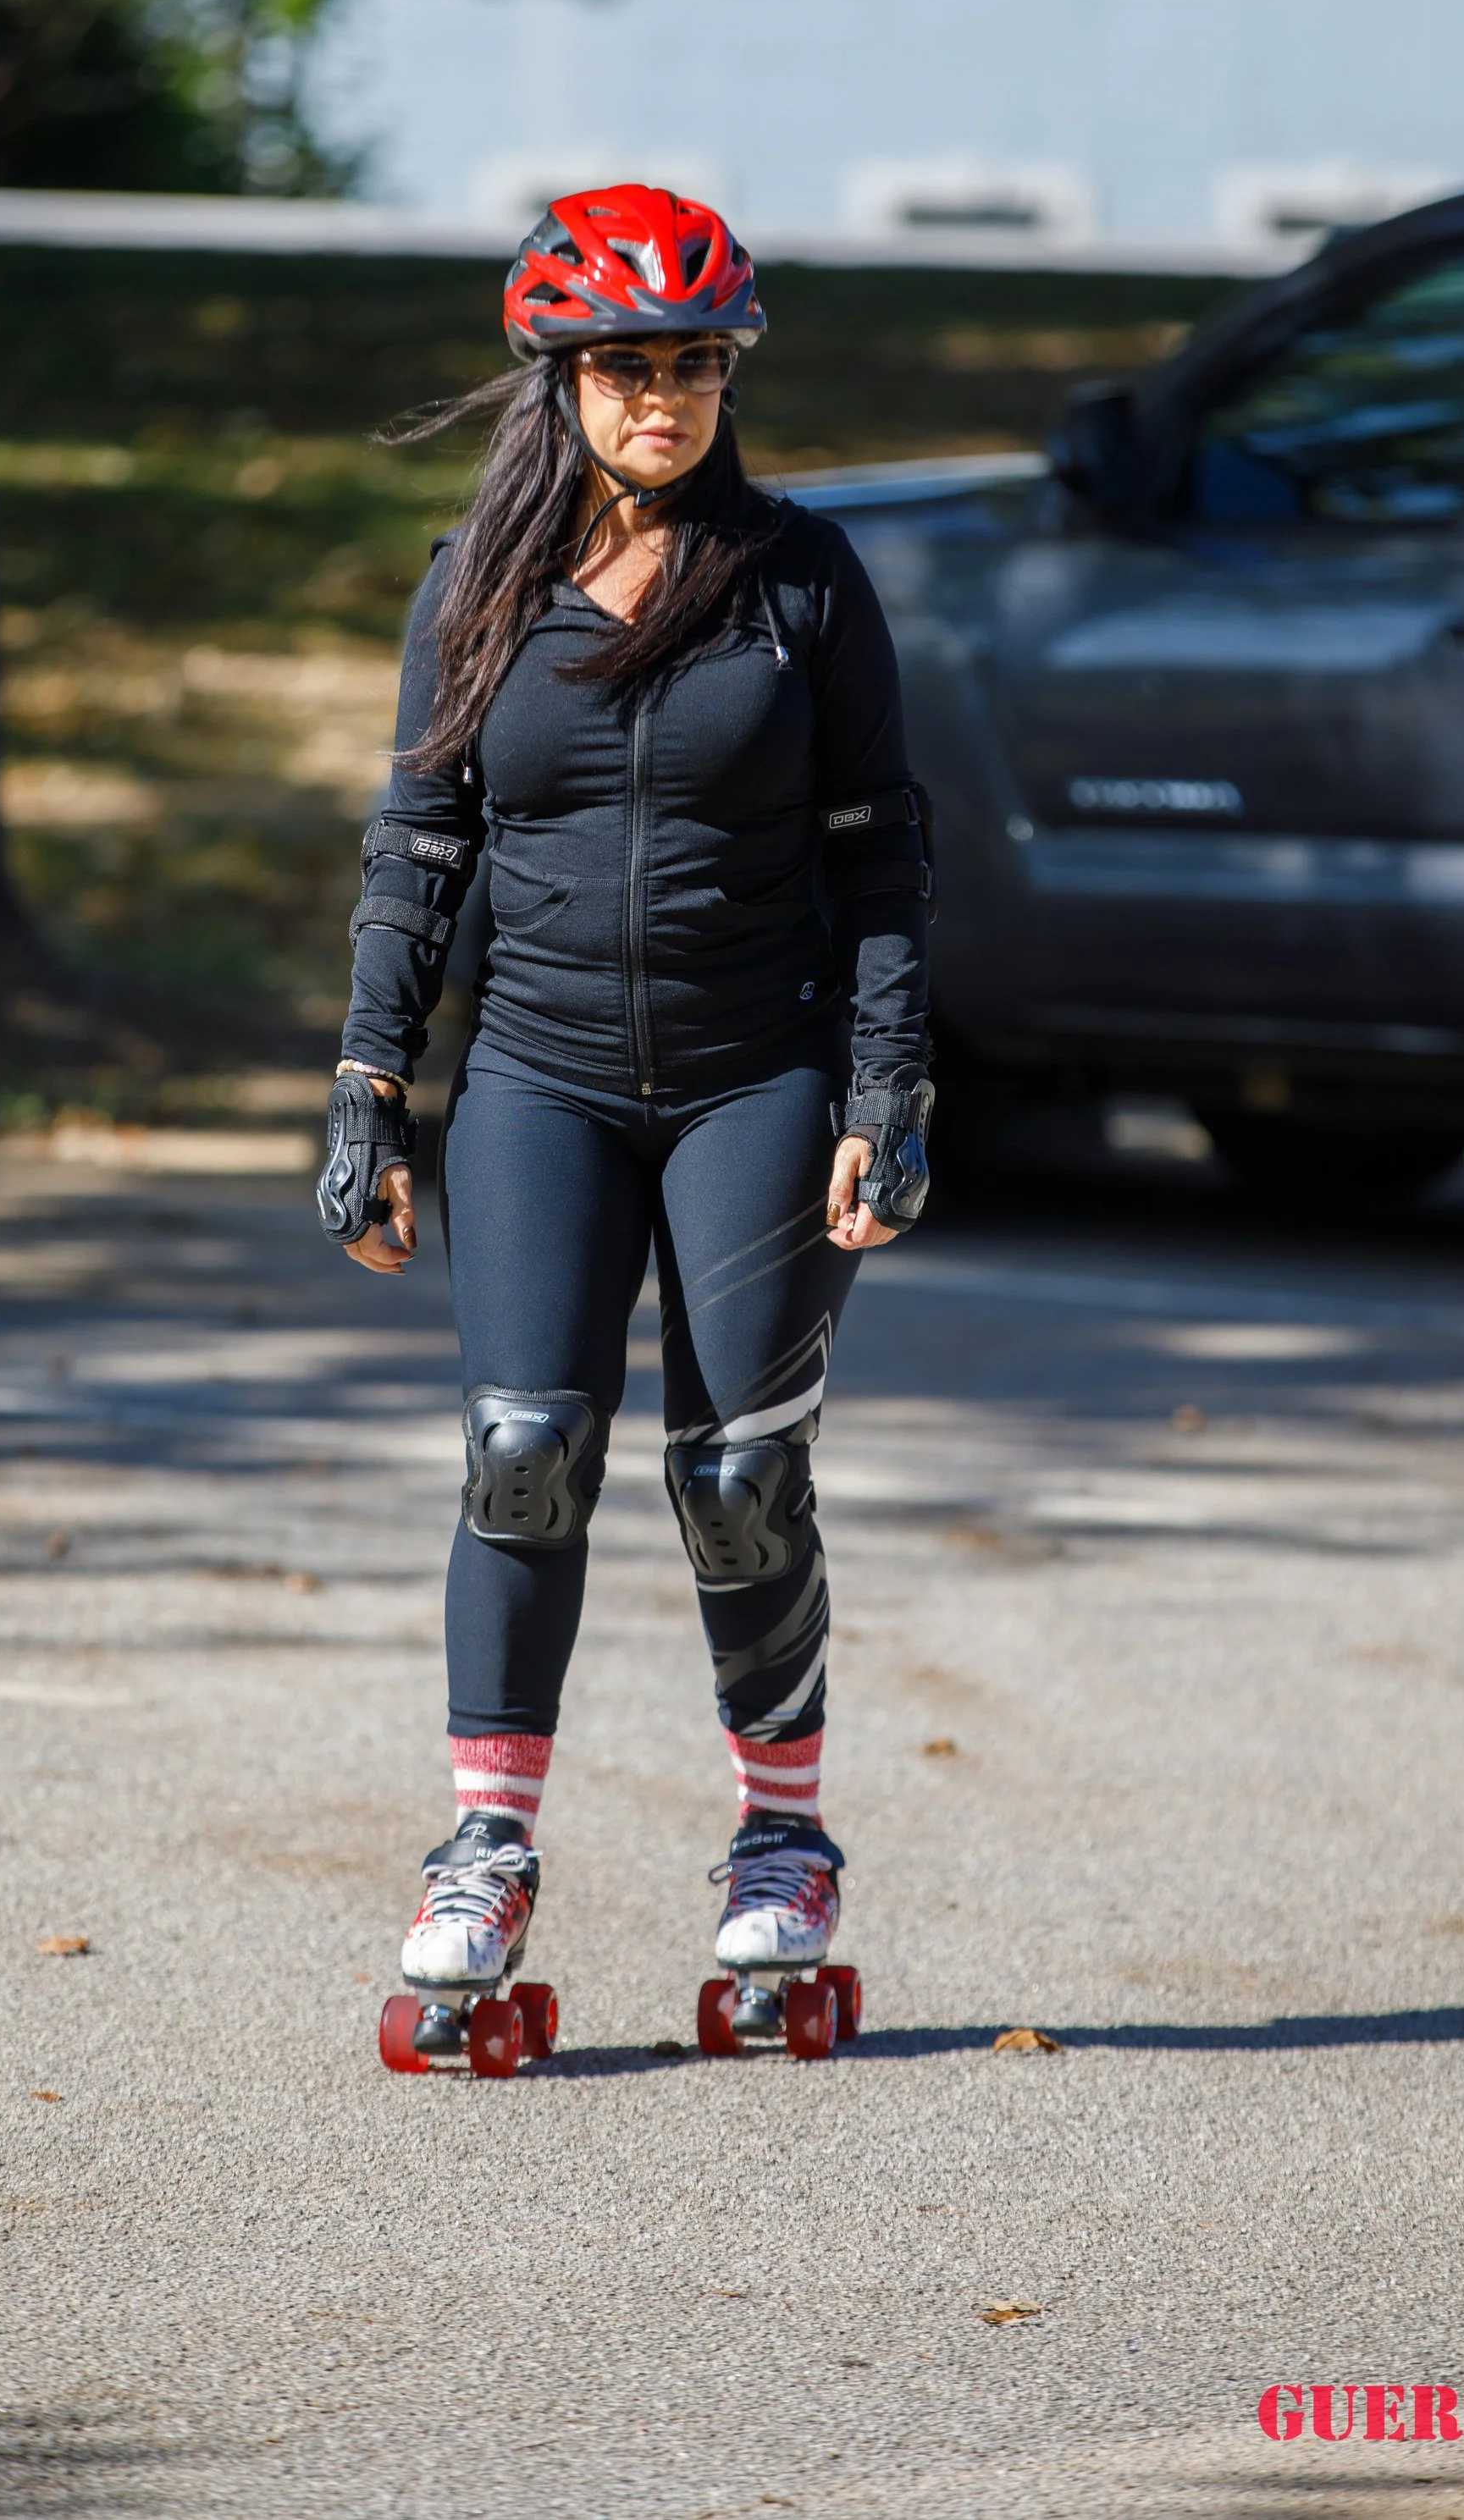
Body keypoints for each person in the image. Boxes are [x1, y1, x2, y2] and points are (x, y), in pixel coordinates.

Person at [316, 183, 934, 2056]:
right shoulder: (477, 585)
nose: (657, 397)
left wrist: (883, 1083)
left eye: (688, 364)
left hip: (758, 1075)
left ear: (728, 372)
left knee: (738, 1479)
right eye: (621, 368)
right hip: (538, 1081)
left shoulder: (803, 583)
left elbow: (882, 851)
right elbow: (420, 842)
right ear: (559, 381)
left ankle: (782, 1847)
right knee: (523, 1454)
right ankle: (484, 1846)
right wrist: (367, 1080)